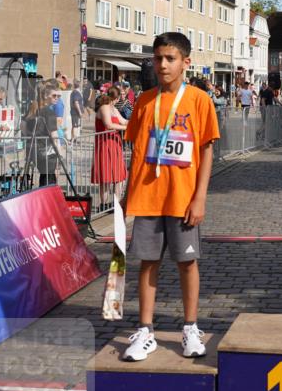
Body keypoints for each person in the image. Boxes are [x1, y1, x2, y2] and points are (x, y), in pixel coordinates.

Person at [121, 32, 220, 362]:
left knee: (187, 263)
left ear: (185, 63)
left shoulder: (199, 100)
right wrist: (126, 196)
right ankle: (145, 330)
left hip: (182, 197)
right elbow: (136, 149)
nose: (162, 64)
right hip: (148, 197)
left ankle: (191, 327)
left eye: (170, 58)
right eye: (158, 58)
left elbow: (206, 150)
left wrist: (200, 197)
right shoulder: (144, 100)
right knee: (148, 263)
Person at [91, 87, 128, 207]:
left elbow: (123, 121)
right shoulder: (104, 107)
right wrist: (126, 128)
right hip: (105, 144)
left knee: (119, 175)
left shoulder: (114, 108)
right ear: (116, 98)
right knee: (105, 176)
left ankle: (115, 203)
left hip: (114, 144)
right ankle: (104, 203)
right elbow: (108, 124)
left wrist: (136, 121)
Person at [23, 84, 59, 186]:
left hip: (32, 150)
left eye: (58, 96)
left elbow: (23, 126)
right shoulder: (49, 113)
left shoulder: (32, 109)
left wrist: (31, 135)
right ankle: (46, 199)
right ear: (46, 96)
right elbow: (54, 136)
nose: (57, 98)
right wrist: (60, 154)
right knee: (48, 179)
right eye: (54, 96)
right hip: (46, 151)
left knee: (44, 177)